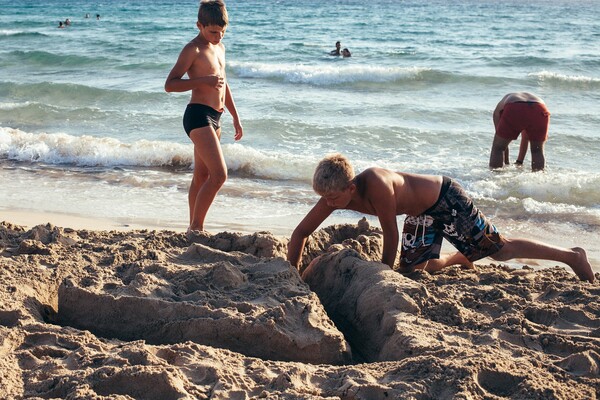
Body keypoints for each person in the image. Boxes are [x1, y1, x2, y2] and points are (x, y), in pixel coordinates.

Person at [287, 153, 595, 283]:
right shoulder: (333, 194)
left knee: (499, 251)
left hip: (445, 198)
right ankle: (459, 258)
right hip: (419, 213)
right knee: (411, 270)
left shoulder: (377, 185)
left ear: (350, 187)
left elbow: (390, 235)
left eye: (333, 199)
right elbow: (301, 232)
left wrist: (381, 272)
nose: (328, 204)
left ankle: (571, 256)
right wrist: (292, 271)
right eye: (324, 198)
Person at [164, 0, 243, 234]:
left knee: (202, 176)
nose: (218, 36)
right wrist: (202, 81)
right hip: (197, 116)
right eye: (213, 32)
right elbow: (170, 84)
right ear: (199, 25)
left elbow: (223, 84)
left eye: (222, 32)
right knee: (220, 175)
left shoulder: (220, 47)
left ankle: (192, 227)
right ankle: (197, 228)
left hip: (215, 117)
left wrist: (235, 117)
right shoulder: (193, 49)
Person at [489, 92, 550, 171]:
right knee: (537, 150)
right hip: (540, 108)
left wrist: (506, 163)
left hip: (515, 106)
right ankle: (539, 178)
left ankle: (495, 176)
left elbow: (501, 145)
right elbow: (525, 138)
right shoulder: (518, 97)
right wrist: (519, 161)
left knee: (498, 148)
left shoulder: (497, 112)